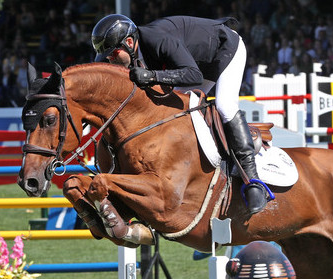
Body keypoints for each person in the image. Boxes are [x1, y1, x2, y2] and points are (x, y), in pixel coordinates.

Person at [91, 14, 268, 214]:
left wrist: (152, 76)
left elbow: (193, 75)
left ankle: (253, 180)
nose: (111, 61)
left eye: (113, 55)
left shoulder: (157, 40)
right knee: (171, 108)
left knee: (224, 105)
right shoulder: (133, 54)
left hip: (226, 49)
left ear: (129, 42)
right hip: (197, 61)